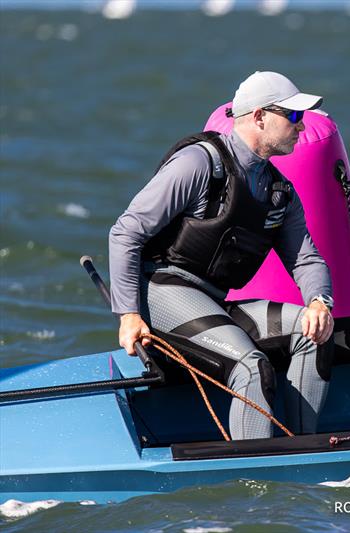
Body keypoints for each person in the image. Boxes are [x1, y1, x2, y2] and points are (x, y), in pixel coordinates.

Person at [109, 71, 335, 440]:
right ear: (260, 117)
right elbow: (125, 232)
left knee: (314, 332)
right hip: (163, 292)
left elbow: (306, 259)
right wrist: (128, 315)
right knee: (252, 367)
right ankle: (254, 487)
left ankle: (302, 456)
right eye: (293, 116)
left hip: (212, 302)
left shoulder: (280, 192)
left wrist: (319, 302)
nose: (301, 126)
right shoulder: (199, 164)